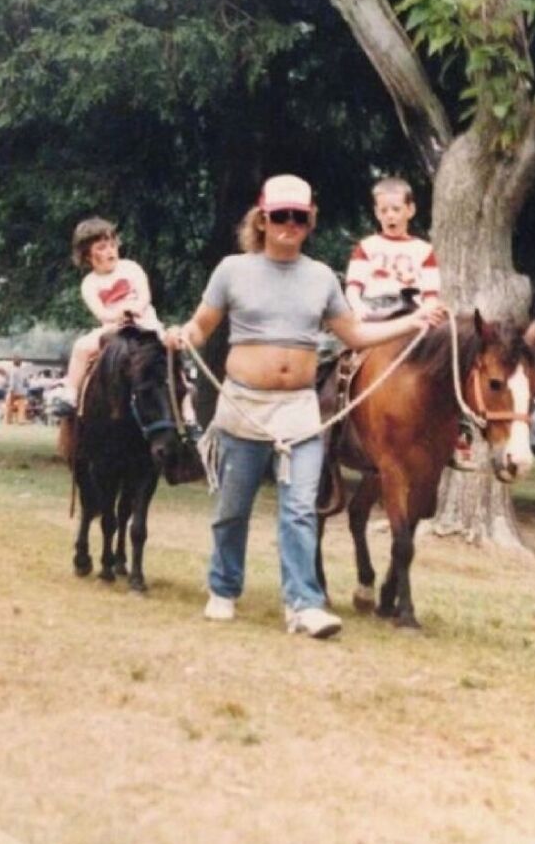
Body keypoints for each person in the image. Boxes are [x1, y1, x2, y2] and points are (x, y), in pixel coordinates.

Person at [164, 174, 446, 639]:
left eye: (299, 216)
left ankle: (303, 604)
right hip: (244, 406)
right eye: (280, 216)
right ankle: (223, 587)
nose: (289, 224)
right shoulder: (232, 270)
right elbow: (201, 326)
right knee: (233, 509)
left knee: (299, 510)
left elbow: (355, 334)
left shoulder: (320, 277)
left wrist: (413, 321)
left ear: (310, 221)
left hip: (298, 409)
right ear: (262, 219)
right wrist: (181, 335)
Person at [345, 176, 474, 470]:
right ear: (376, 213)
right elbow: (353, 287)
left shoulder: (423, 250)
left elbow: (430, 294)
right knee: (333, 352)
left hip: (411, 314)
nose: (390, 216)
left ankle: (458, 431)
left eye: (396, 209)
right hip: (373, 312)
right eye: (384, 210)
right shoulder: (367, 246)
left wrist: (427, 314)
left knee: (452, 353)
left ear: (410, 210)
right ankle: (330, 419)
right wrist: (358, 308)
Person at [55, 217, 164, 415]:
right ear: (87, 256)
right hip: (115, 329)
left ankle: (187, 408)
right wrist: (116, 315)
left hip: (145, 324)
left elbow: (144, 295)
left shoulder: (131, 267)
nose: (110, 251)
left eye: (113, 245)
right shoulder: (90, 283)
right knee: (81, 347)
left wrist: (136, 308)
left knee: (171, 347)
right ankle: (71, 393)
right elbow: (100, 312)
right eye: (102, 248)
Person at [5, 356, 30, 424]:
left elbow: (12, 381)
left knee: (9, 405)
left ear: (13, 362)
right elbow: (26, 382)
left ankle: (8, 420)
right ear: (20, 363)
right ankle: (20, 419)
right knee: (21, 406)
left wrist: (11, 390)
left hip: (14, 390)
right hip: (22, 391)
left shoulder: (13, 370)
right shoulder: (23, 371)